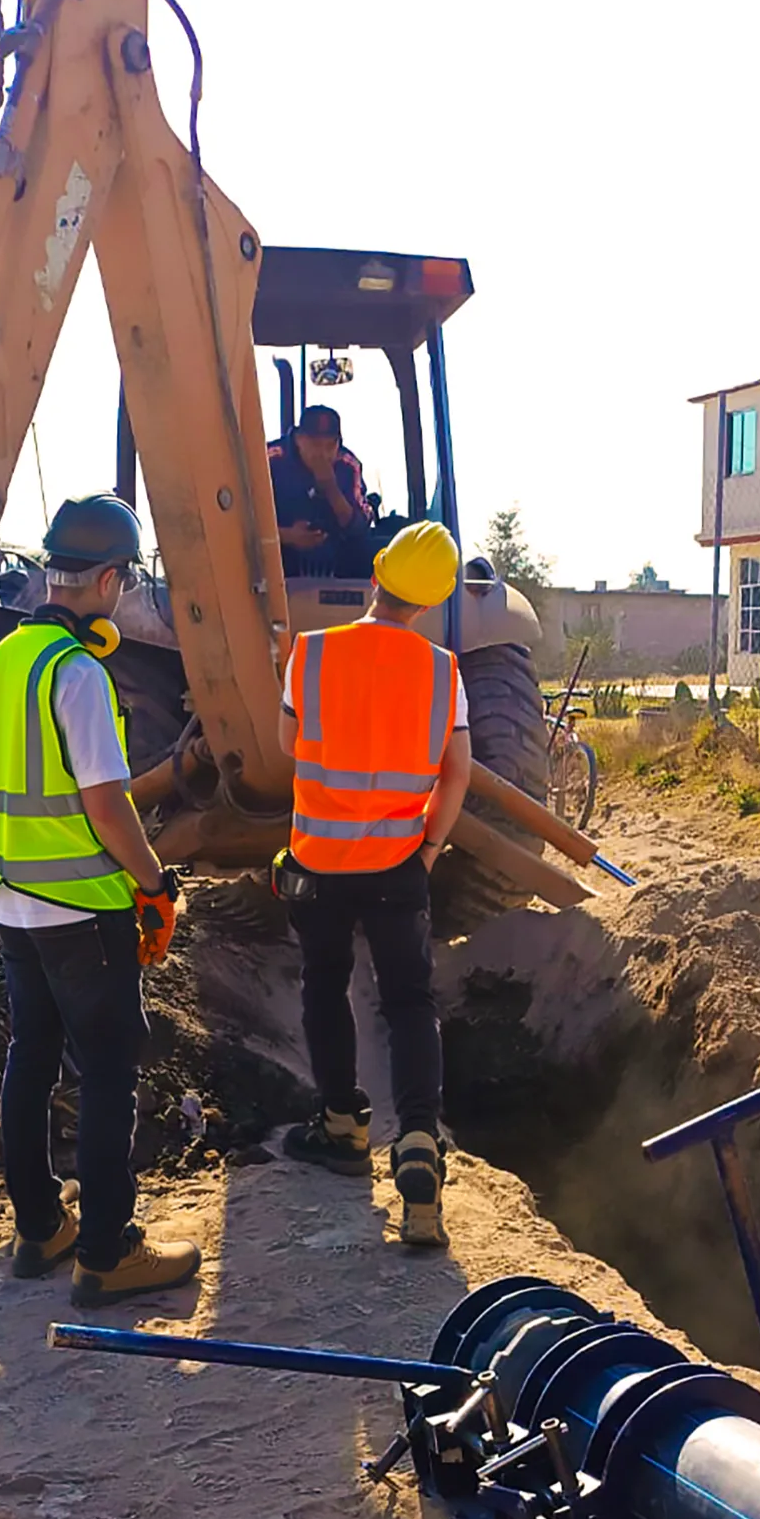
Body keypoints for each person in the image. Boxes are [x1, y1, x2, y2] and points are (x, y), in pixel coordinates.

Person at [0, 492, 200, 1307]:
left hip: (10, 900)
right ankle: (108, 1250)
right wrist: (152, 883)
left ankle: (42, 1227)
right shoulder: (78, 674)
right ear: (106, 580)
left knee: (30, 1055)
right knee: (107, 1071)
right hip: (80, 909)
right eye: (125, 581)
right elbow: (108, 806)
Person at [274, 518, 469, 1247]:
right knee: (410, 1001)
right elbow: (458, 771)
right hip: (396, 865)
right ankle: (418, 1142)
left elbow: (292, 744)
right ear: (433, 600)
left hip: (318, 861)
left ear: (378, 572)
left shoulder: (313, 654)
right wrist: (428, 850)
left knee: (325, 983)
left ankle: (342, 1125)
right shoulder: (443, 672)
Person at [267, 405, 373, 576]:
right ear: (299, 439)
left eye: (331, 445)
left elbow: (361, 527)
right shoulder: (269, 459)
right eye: (315, 444)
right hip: (278, 553)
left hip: (336, 555)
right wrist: (287, 536)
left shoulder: (348, 465)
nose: (323, 454)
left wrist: (332, 489)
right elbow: (242, 521)